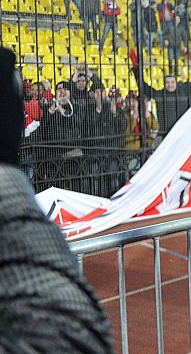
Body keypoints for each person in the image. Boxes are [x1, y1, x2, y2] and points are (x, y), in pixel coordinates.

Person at [0, 46, 115, 353]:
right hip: (53, 163)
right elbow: (77, 334)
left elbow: (84, 126)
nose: (63, 94)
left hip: (78, 157)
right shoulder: (25, 231)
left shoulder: (79, 107)